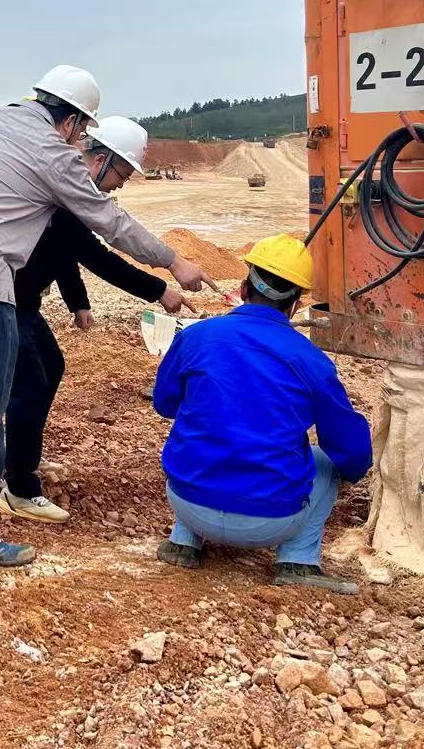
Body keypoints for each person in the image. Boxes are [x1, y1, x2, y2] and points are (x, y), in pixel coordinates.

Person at [0, 68, 210, 569]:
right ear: (73, 121)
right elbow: (110, 224)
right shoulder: (55, 154)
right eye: (80, 130)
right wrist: (172, 261)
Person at [0, 116, 206, 524]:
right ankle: (18, 488)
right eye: (121, 175)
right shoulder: (64, 192)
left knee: (51, 366)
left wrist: (78, 302)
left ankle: (24, 457)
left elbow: (60, 250)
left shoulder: (66, 194)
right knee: (30, 383)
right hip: (1, 298)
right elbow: (97, 256)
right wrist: (160, 290)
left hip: (20, 299)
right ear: (99, 160)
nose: (120, 186)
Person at [152, 234, 372, 594]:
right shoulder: (311, 360)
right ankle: (298, 561)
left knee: (202, 432)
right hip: (271, 523)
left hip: (189, 503)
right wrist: (353, 472)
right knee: (324, 461)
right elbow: (350, 449)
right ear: (295, 304)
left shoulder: (196, 337)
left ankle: (184, 543)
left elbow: (165, 404)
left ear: (243, 289)